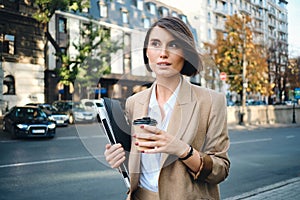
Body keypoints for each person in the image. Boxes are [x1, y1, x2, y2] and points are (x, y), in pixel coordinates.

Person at [104, 16, 230, 200]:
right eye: (155, 44)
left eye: (173, 45)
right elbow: (139, 161)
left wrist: (182, 150)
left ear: (185, 52)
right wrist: (119, 158)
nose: (163, 53)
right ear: (147, 52)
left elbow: (221, 170)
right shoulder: (134, 103)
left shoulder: (212, 101)